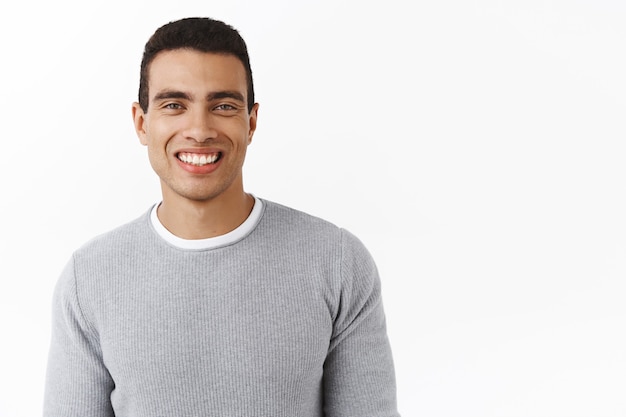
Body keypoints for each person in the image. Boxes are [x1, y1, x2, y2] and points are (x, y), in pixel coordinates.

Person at [43, 17, 400, 417]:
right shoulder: (88, 277)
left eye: (224, 106)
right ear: (142, 123)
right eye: (174, 105)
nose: (199, 129)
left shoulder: (336, 261)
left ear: (251, 122)